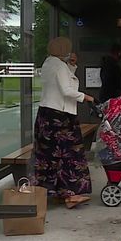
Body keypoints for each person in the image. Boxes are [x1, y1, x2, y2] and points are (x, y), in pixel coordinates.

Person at [33, 37, 94, 209]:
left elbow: (62, 82)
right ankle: (70, 195)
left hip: (46, 116)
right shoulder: (59, 65)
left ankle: (54, 192)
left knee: (49, 157)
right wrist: (86, 97)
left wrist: (72, 66)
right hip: (59, 117)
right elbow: (67, 90)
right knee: (69, 154)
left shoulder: (48, 63)